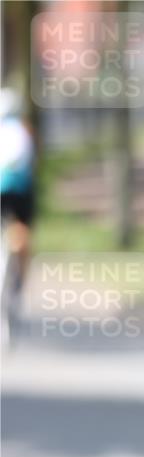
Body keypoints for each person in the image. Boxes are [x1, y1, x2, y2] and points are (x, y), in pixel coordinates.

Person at [0, 87, 36, 307]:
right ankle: (19, 281)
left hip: (8, 191)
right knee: (21, 232)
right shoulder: (23, 130)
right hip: (19, 192)